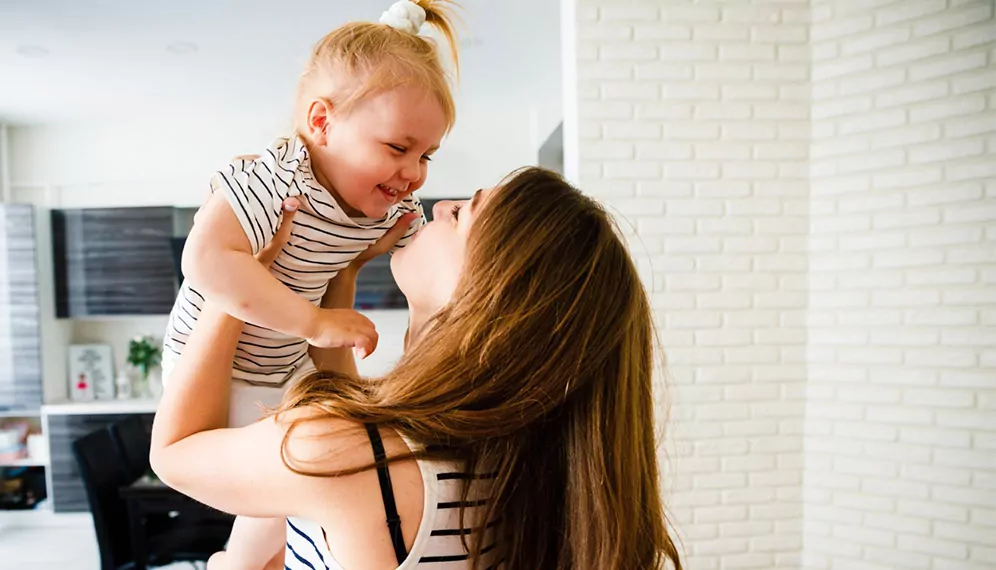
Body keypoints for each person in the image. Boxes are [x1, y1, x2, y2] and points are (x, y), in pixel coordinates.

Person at [151, 167, 685, 570]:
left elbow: (174, 454)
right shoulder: (519, 459)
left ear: (487, 293)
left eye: (461, 213)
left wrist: (238, 275)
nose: (440, 203)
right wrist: (343, 271)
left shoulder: (342, 451)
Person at [160, 0, 460, 562]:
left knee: (304, 483)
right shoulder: (274, 180)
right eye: (398, 148)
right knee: (292, 477)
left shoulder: (384, 207)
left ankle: (240, 563)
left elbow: (433, 256)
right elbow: (203, 261)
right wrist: (313, 321)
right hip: (219, 370)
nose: (415, 172)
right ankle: (240, 562)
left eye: (427, 155)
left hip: (283, 363)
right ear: (321, 123)